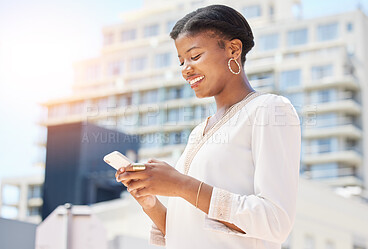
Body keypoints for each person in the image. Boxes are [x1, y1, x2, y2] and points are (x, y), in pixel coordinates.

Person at [115, 4, 301, 249]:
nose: (186, 69)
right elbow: (189, 233)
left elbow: (274, 222)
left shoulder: (269, 109)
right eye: (181, 61)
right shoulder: (198, 132)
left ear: (233, 49)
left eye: (195, 56)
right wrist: (150, 202)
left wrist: (180, 184)